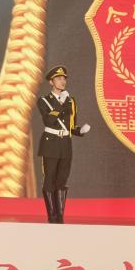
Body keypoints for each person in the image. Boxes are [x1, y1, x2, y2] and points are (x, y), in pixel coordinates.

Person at [37, 65, 90, 223]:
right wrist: (61, 105)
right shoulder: (44, 101)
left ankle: (60, 217)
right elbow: (49, 120)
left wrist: (80, 131)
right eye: (59, 79)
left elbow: (70, 126)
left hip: (65, 143)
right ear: (51, 82)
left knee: (62, 180)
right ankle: (51, 216)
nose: (63, 81)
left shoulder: (70, 101)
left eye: (64, 78)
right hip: (51, 143)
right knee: (49, 179)